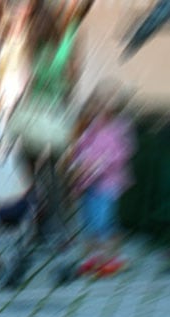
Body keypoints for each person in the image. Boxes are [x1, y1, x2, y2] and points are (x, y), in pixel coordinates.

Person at [67, 85, 135, 278]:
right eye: (95, 105)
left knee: (103, 222)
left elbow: (122, 154)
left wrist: (101, 163)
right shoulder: (89, 128)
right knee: (89, 220)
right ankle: (95, 255)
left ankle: (112, 257)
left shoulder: (119, 128)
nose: (98, 110)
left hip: (107, 183)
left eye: (103, 105)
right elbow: (79, 148)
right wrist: (78, 163)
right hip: (87, 181)